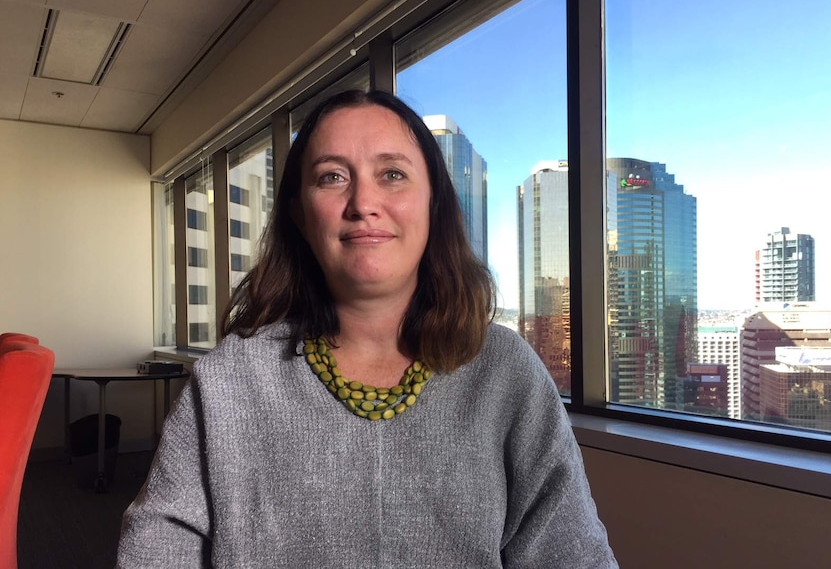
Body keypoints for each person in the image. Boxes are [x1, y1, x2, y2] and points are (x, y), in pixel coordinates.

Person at [116, 89, 617, 568]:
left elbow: (571, 553)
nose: (363, 203)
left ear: (433, 204)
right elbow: (156, 550)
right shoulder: (230, 379)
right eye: (332, 177)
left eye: (393, 174)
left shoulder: (506, 371)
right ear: (299, 213)